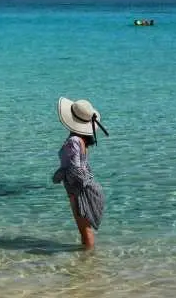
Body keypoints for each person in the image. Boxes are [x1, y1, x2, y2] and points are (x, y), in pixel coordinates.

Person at [52, 97, 109, 249]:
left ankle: (88, 265)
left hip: (78, 190)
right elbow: (80, 167)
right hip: (85, 187)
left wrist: (61, 174)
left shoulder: (73, 141)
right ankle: (86, 262)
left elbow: (76, 169)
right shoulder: (82, 140)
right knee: (85, 230)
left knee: (85, 232)